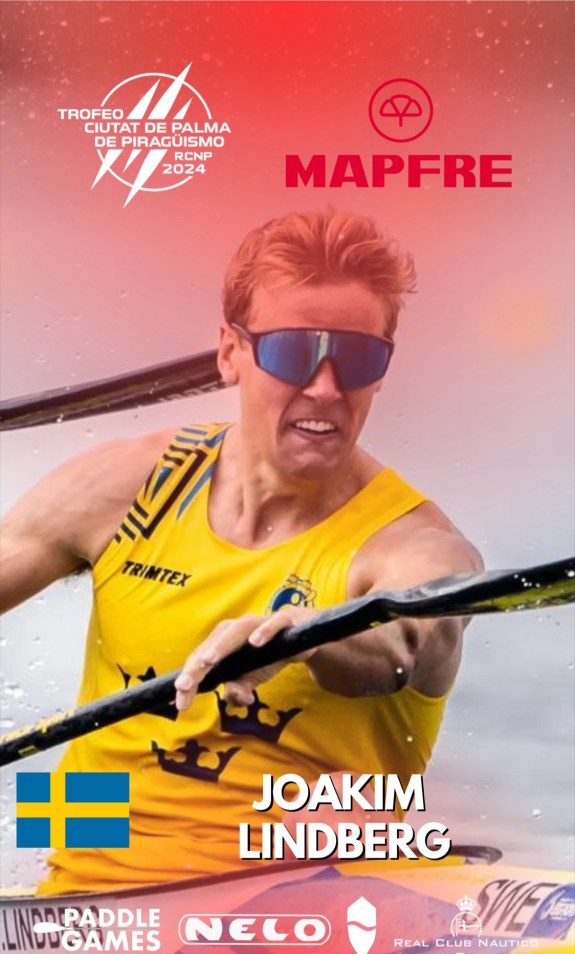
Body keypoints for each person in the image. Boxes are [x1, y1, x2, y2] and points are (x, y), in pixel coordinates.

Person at [0, 210, 482, 894]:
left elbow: (408, 645)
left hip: (313, 901)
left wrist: (310, 638)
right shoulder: (126, 488)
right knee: (63, 819)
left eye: (356, 358)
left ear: (382, 370)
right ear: (230, 352)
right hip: (84, 894)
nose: (325, 387)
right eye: (292, 353)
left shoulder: (415, 545)